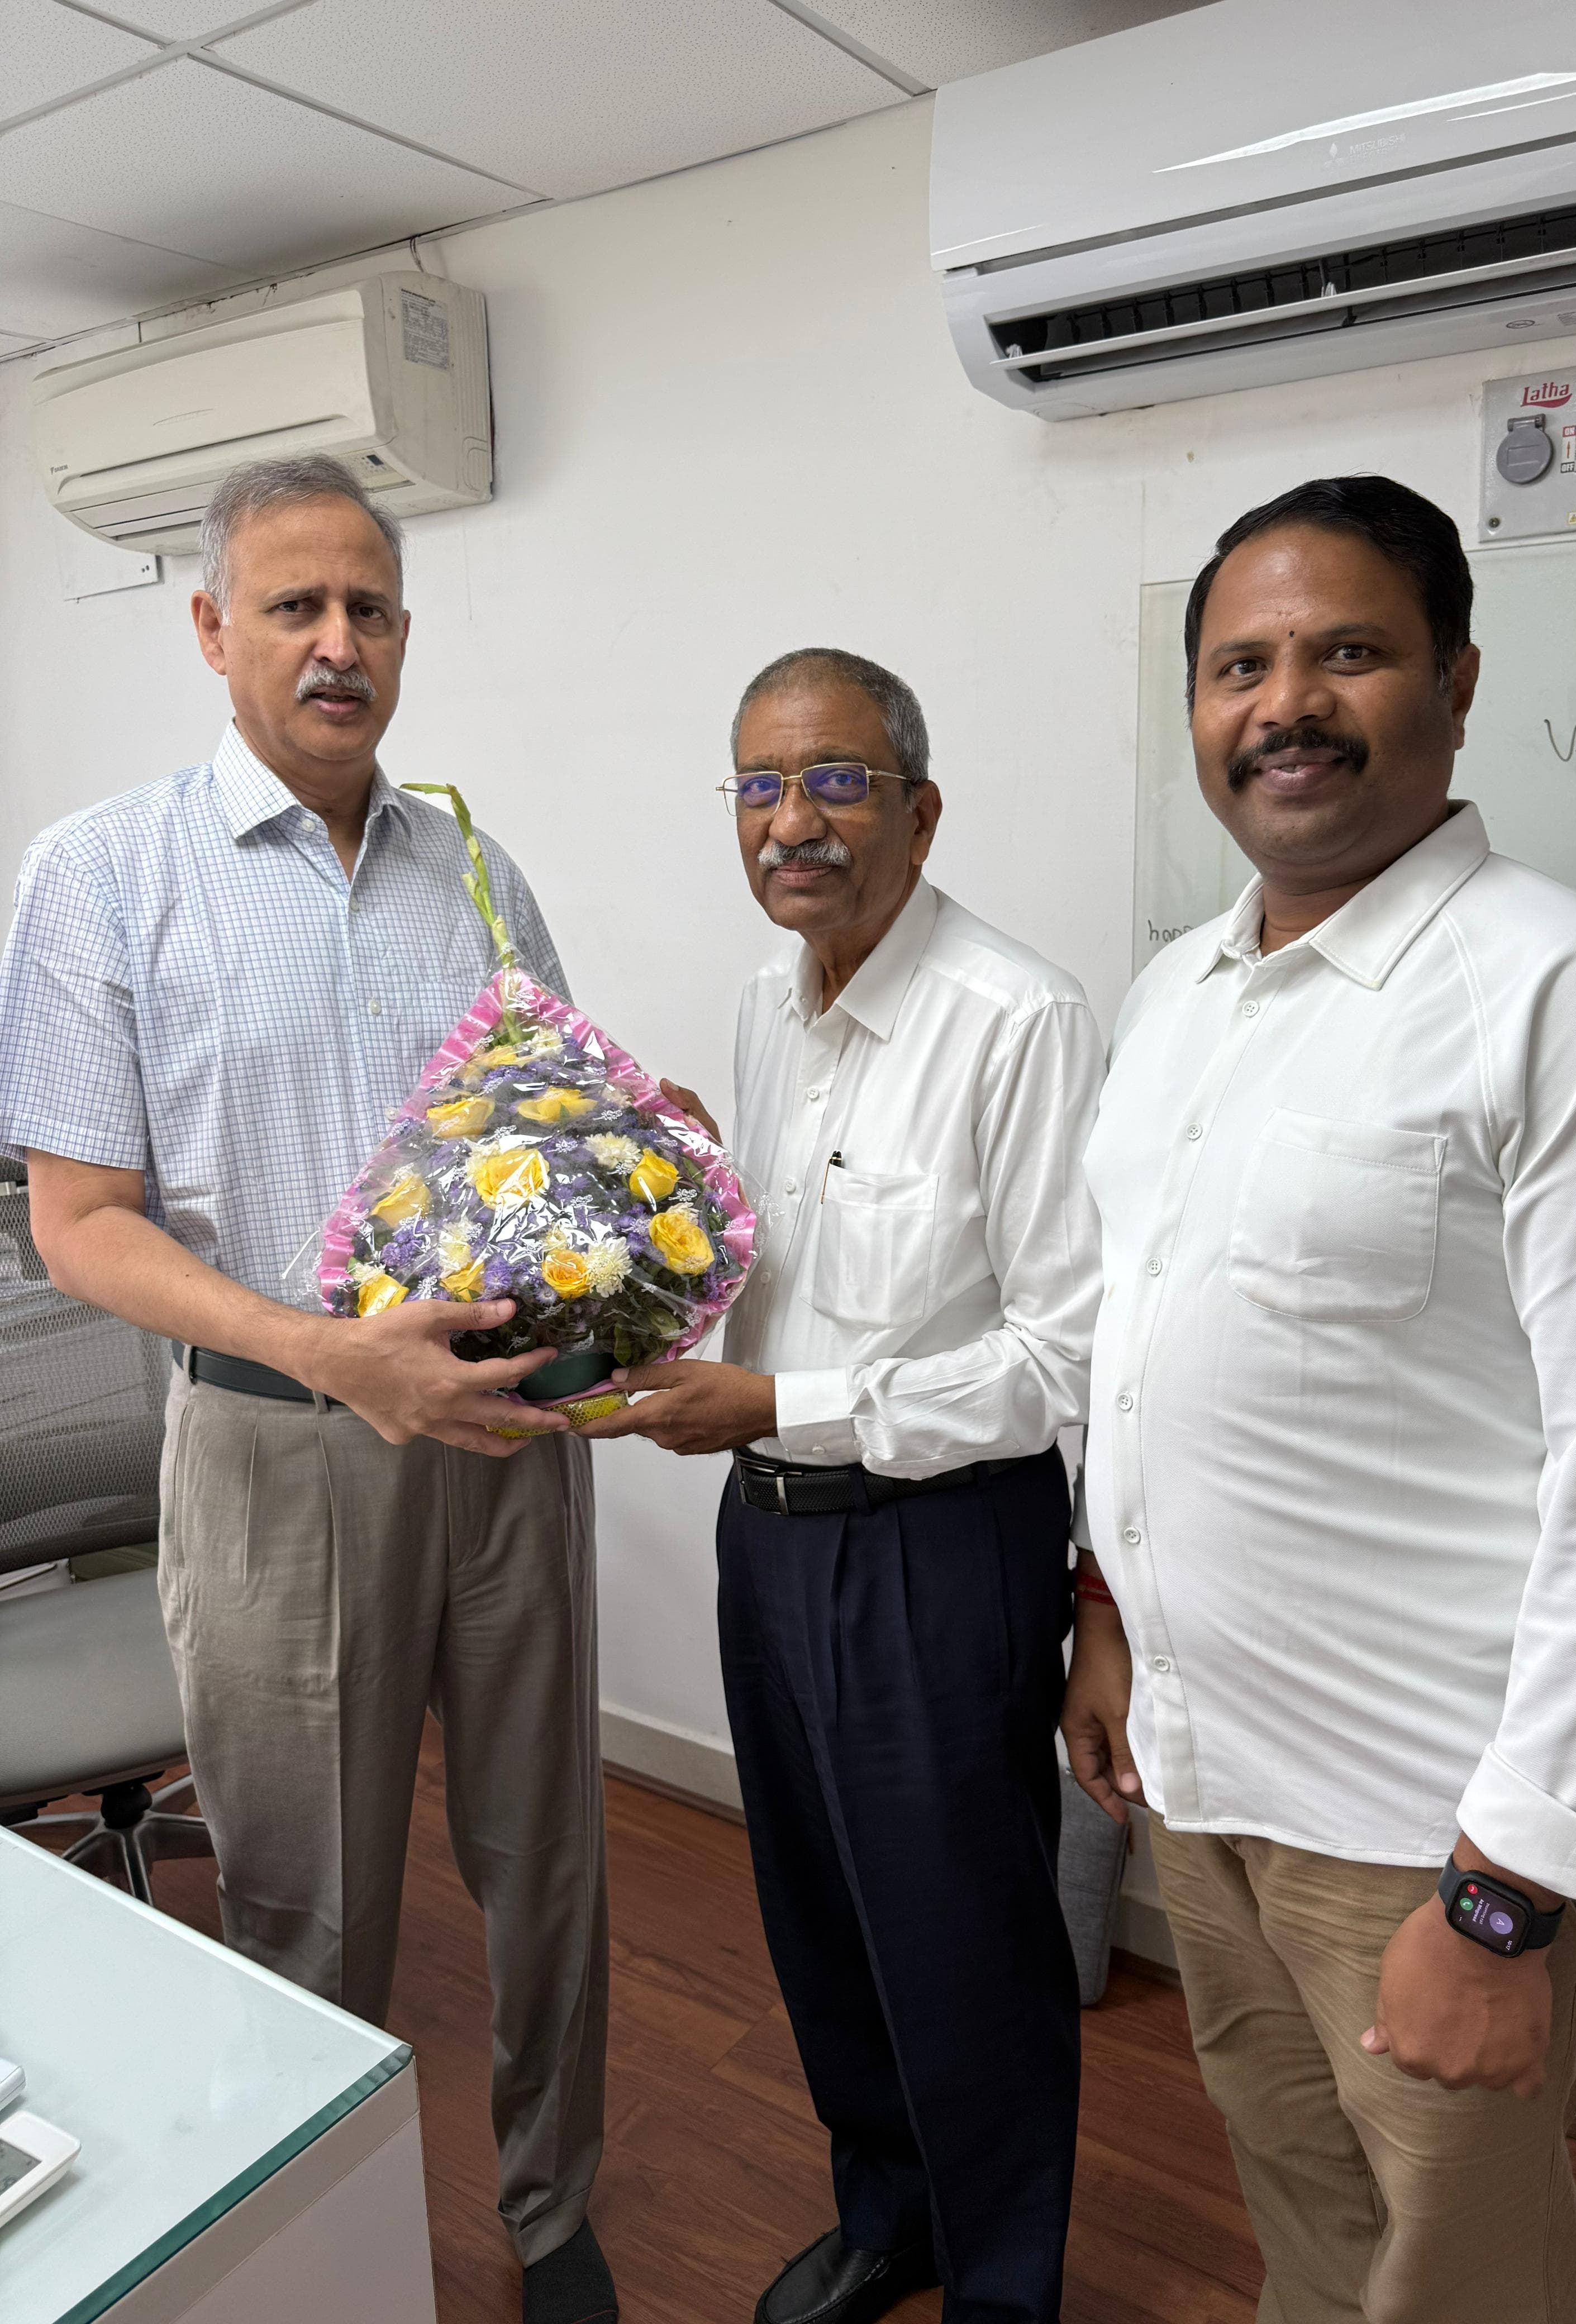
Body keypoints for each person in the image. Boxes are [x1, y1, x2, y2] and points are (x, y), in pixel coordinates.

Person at [1061, 474, 1576, 2324]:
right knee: (1313, 2230)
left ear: (1452, 680)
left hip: (1426, 1830)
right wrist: (1108, 1615)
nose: (1284, 702)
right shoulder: (1179, 997)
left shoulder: (1574, 995)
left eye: (1346, 652)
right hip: (1209, 1788)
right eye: (1239, 665)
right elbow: (1147, 1349)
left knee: (1461, 2284)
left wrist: (1507, 1897)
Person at [0, 456, 615, 2324]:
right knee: (308, 1903)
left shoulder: (474, 868)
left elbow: (551, 1134)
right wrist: (321, 1349)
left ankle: (551, 2212)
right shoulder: (104, 874)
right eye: (294, 608)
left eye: (368, 610)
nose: (337, 644)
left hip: (503, 1442)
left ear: (405, 640)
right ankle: (319, 2252)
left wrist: (638, 1186)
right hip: (276, 1449)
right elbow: (79, 1226)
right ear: (215, 631)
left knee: (549, 1862)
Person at [582, 648, 1103, 2324]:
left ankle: (1006, 2281)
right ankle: (892, 2211)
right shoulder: (769, 997)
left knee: (966, 1938)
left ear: (920, 809)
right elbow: (779, 1259)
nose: (791, 822)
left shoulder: (1018, 1019)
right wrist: (658, 1204)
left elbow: (1060, 1357)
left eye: (834, 781)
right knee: (820, 1916)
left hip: (941, 1544)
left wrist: (780, 1397)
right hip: (775, 1536)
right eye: (757, 785)